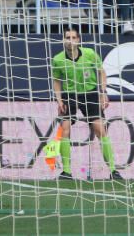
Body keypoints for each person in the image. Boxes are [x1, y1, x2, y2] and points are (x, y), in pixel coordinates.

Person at [50, 28, 123, 181]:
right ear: (63, 40)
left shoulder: (90, 54)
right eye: (67, 37)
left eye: (73, 37)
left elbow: (101, 72)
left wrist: (103, 92)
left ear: (78, 40)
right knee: (65, 129)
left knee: (100, 130)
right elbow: (56, 81)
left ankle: (113, 171)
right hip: (69, 94)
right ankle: (67, 172)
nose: (70, 40)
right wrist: (59, 99)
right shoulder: (57, 59)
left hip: (89, 93)